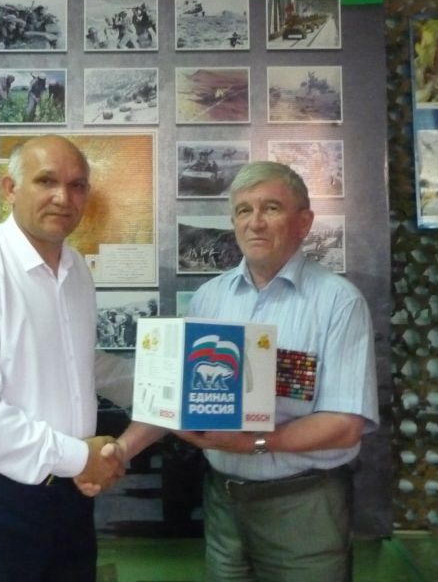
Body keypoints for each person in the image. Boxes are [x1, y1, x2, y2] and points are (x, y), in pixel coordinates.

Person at [100, 161, 378, 582]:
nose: (255, 222)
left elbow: (345, 424)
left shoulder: (339, 302)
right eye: (244, 210)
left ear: (304, 223)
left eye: (271, 208)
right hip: (223, 503)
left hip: (304, 505)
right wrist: (120, 451)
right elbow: (174, 398)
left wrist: (253, 444)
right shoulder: (209, 298)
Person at [0, 134, 128, 582]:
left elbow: (80, 362)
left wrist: (163, 385)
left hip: (71, 495)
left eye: (77, 185)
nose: (63, 197)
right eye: (46, 181)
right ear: (10, 188)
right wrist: (78, 457)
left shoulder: (77, 271)